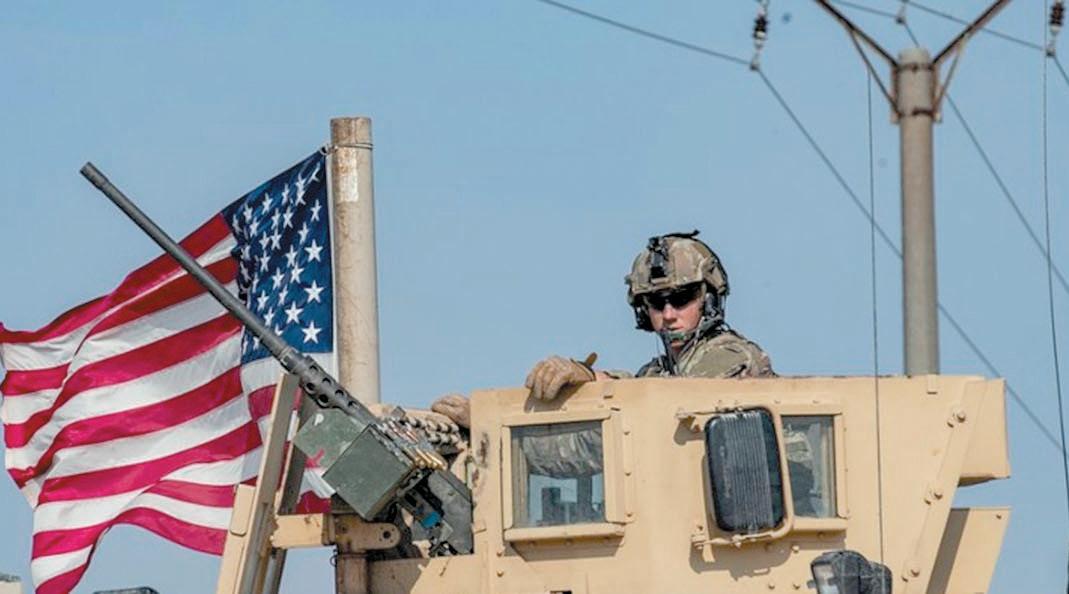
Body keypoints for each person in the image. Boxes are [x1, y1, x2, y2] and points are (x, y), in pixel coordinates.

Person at [431, 230, 774, 427]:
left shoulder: (730, 357)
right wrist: (490, 421)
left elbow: (657, 407)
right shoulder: (657, 372)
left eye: (682, 299)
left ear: (708, 299)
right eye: (656, 303)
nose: (669, 314)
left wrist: (593, 380)